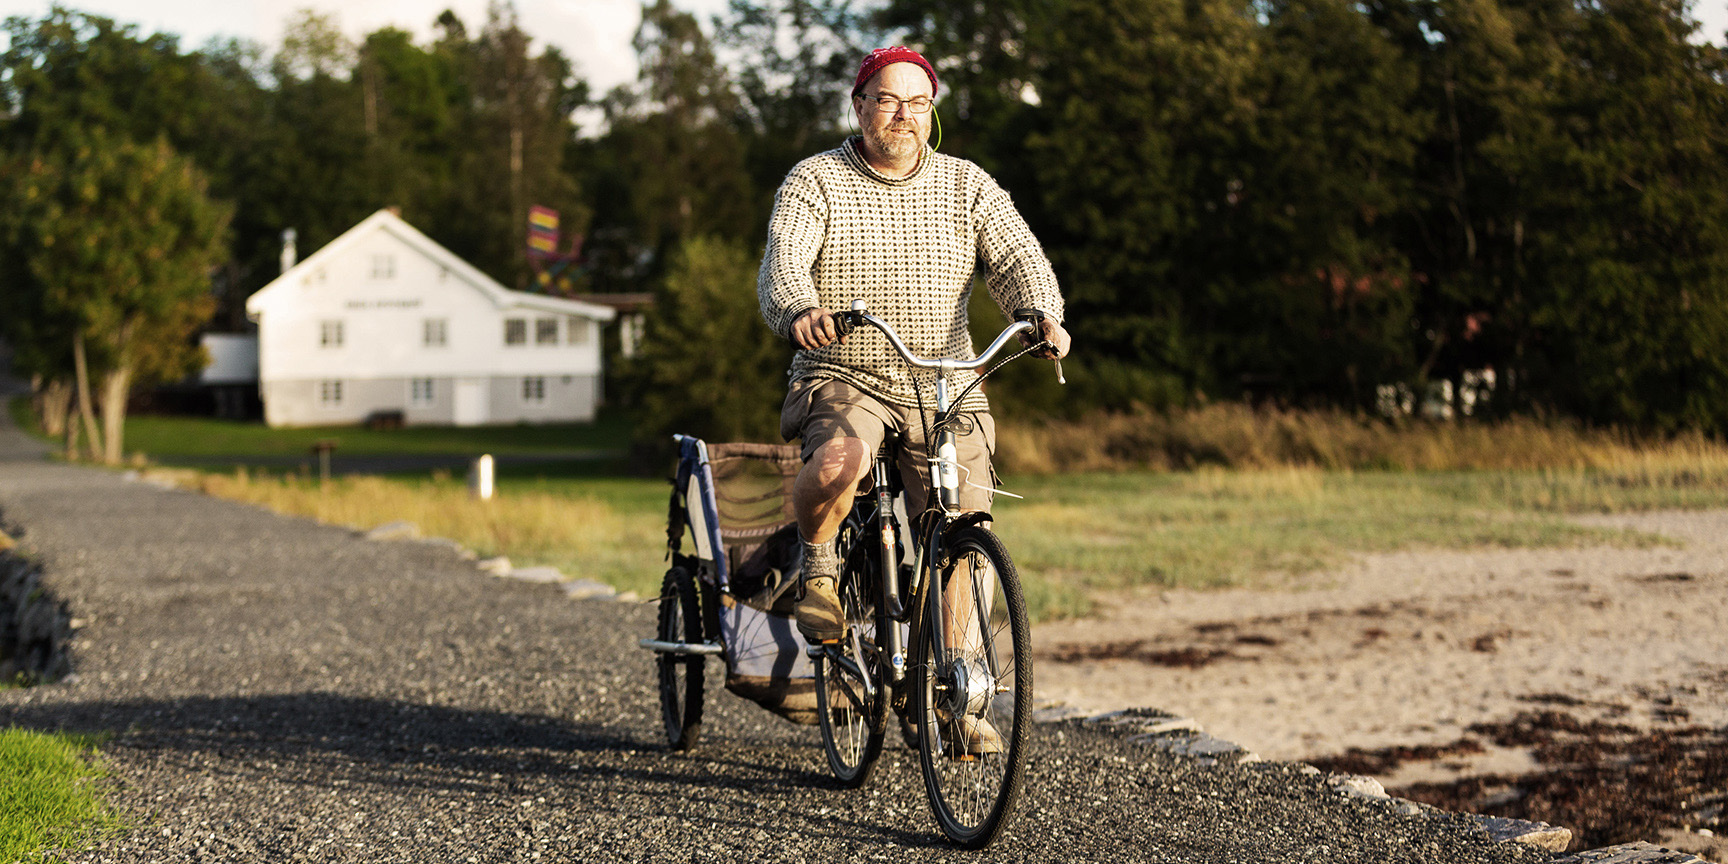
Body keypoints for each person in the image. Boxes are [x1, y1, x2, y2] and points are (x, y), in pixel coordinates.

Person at [757, 46, 1071, 657]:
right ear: (859, 106)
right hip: (845, 372)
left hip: (946, 383)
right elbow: (784, 261)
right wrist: (800, 310)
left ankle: (958, 686)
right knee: (839, 462)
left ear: (932, 111)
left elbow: (1016, 257)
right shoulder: (816, 179)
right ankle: (819, 569)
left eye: (919, 102)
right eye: (888, 100)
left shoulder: (966, 183)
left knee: (964, 527)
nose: (905, 114)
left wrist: (1040, 314)